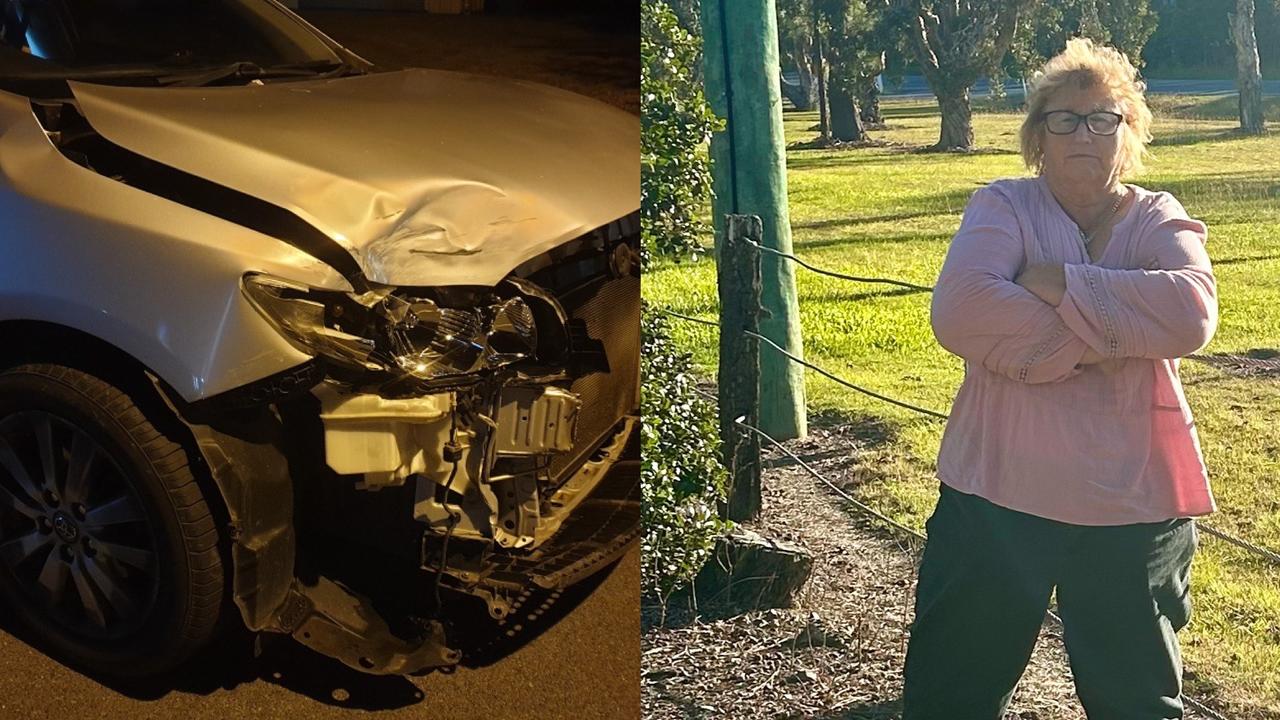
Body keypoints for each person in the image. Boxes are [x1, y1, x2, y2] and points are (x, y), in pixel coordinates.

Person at [902, 38, 1217, 720]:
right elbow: (961, 311)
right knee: (951, 691)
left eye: (1104, 117)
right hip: (998, 494)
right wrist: (1109, 339)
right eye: (1064, 118)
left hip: (1130, 504)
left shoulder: (1157, 215)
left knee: (1137, 700)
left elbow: (1191, 313)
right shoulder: (1003, 207)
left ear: (1130, 133)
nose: (1084, 132)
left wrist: (1055, 284)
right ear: (1037, 136)